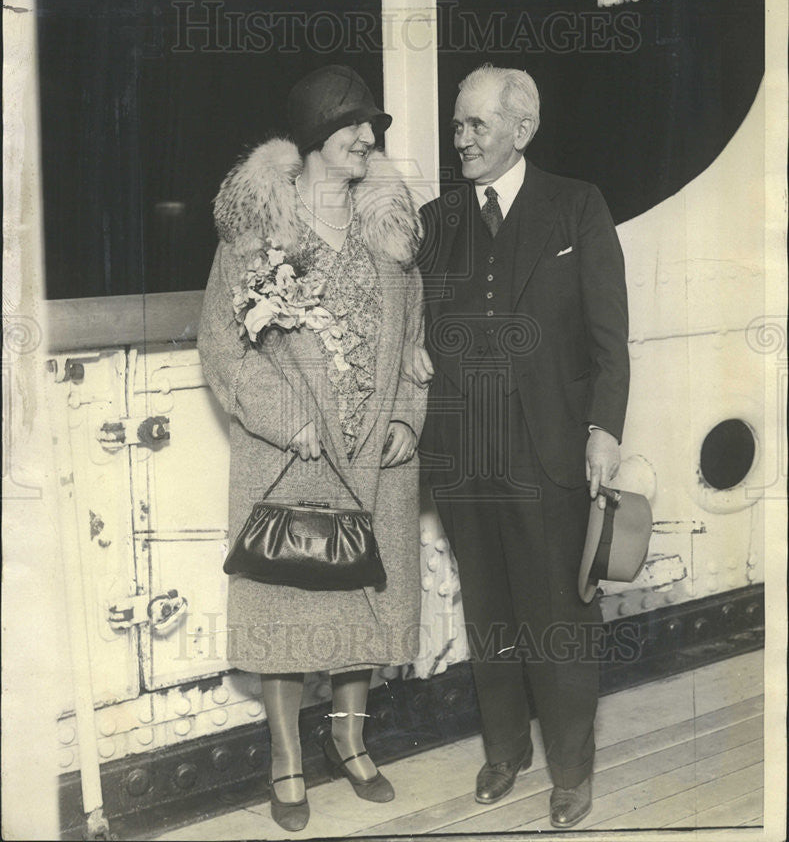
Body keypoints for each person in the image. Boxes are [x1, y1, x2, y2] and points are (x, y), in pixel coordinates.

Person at [198, 65, 426, 832]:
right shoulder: (260, 233)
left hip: (375, 457)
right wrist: (283, 416)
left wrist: (406, 417)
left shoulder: (388, 233)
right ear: (315, 138)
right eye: (356, 125)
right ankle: (285, 760)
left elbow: (416, 346)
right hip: (292, 456)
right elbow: (223, 349)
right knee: (288, 605)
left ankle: (350, 746)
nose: (371, 138)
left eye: (374, 128)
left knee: (362, 601)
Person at [415, 64, 629, 829]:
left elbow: (609, 334)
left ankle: (571, 771)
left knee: (559, 617)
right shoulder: (436, 220)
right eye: (457, 123)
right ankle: (504, 750)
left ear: (520, 130)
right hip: (465, 457)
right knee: (492, 613)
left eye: (475, 125)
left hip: (550, 454)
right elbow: (417, 328)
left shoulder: (576, 207)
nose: (460, 138)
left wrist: (603, 429)